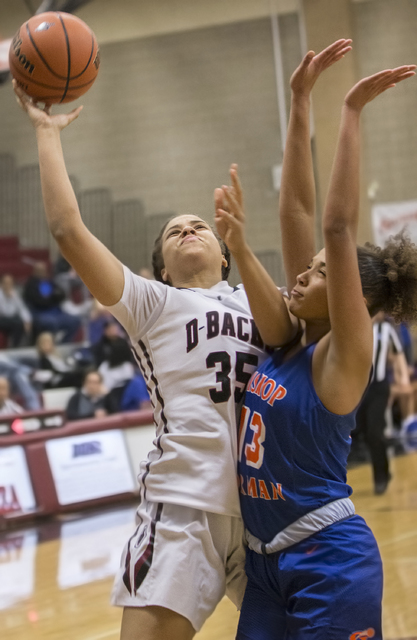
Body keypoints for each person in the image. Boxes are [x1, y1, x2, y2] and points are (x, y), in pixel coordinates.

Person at [12, 81, 288, 640]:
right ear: (160, 267)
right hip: (185, 507)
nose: (188, 229)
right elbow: (68, 230)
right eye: (173, 231)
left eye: (200, 225)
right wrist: (46, 133)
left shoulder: (263, 301)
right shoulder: (153, 303)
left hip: (268, 512)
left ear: (227, 254)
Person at [214, 45, 416, 639]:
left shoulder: (346, 353)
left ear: (357, 300)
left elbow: (333, 224)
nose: (303, 273)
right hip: (266, 562)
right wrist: (300, 100)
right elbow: (298, 209)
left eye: (324, 272)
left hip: (328, 560)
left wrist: (349, 110)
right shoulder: (301, 335)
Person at [353, 312, 411, 494]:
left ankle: (381, 478)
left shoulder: (386, 329)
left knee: (374, 432)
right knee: (361, 431)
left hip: (379, 387)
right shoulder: (357, 327)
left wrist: (404, 379)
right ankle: (383, 468)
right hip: (359, 388)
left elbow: (399, 354)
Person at [23, 261, 81, 343]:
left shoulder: (50, 282)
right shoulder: (31, 284)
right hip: (40, 313)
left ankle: (63, 344)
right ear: (35, 271)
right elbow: (38, 301)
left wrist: (51, 298)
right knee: (51, 323)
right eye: (39, 270)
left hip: (57, 312)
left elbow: (61, 294)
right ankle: (49, 345)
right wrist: (52, 298)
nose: (42, 272)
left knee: (75, 321)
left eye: (43, 270)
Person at [0, 274, 32, 347]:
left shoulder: (15, 293)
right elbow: (6, 312)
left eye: (10, 283)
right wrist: (9, 298)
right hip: (1, 318)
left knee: (22, 323)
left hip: (11, 320)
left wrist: (27, 320)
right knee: (17, 324)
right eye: (6, 283)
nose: (8, 285)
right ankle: (14, 347)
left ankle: (18, 345)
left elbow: (22, 308)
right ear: (1, 284)